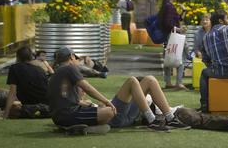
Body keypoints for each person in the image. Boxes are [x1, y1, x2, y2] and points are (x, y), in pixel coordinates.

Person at [48, 47, 188, 134]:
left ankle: (170, 118)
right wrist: (105, 102)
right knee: (132, 81)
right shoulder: (69, 68)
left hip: (123, 118)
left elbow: (69, 99)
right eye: (76, 59)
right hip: (113, 116)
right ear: (71, 57)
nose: (78, 62)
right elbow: (87, 88)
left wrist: (87, 103)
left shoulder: (57, 75)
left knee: (150, 79)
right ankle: (153, 121)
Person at [2, 46, 51, 119]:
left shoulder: (14, 68)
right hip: (47, 108)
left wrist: (5, 114)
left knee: (13, 109)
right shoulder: (40, 70)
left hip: (30, 107)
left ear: (17, 57)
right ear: (31, 57)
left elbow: (12, 93)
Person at [158, 0, 187, 90]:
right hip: (172, 36)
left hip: (168, 36)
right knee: (179, 58)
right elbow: (168, 23)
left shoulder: (166, 6)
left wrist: (184, 10)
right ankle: (178, 82)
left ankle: (168, 82)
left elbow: (178, 19)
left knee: (169, 58)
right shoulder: (169, 7)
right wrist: (179, 30)